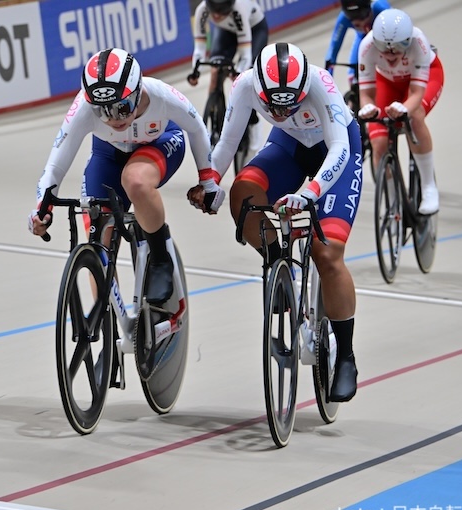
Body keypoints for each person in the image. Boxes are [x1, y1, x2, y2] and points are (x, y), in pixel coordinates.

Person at [188, 42, 361, 402]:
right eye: (273, 105)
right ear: (260, 88)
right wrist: (210, 181)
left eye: (290, 103)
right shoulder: (246, 84)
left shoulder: (321, 83)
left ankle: (345, 355)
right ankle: (278, 260)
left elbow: (340, 149)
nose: (281, 110)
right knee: (244, 192)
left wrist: (311, 192)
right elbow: (229, 141)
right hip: (291, 145)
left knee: (327, 254)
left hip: (337, 151)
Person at [29, 48, 221, 304]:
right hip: (108, 155)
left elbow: (197, 129)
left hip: (160, 143)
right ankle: (108, 323)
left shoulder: (161, 95)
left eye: (122, 107)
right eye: (103, 111)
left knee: (135, 180)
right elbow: (55, 164)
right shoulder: (84, 106)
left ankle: (160, 258)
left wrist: (207, 181)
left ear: (138, 90)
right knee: (98, 236)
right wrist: (42, 205)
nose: (113, 119)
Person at [357, 8, 443, 215]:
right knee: (378, 143)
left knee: (414, 116)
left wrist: (405, 108)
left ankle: (429, 186)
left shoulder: (419, 42)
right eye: (385, 50)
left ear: (407, 41)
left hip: (425, 78)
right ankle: (393, 200)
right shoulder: (367, 46)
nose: (390, 55)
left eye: (396, 49)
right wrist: (368, 107)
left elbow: (416, 92)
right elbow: (366, 93)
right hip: (388, 82)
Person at [189, 0, 268, 155]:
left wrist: (238, 72)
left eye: (222, 11)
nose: (217, 16)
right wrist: (194, 71)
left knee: (247, 80)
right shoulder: (202, 10)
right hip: (226, 31)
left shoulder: (239, 11)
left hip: (254, 29)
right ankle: (214, 118)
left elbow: (246, 55)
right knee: (215, 71)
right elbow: (199, 47)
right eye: (214, 11)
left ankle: (253, 124)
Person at [324, 0, 390, 84]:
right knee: (353, 79)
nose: (361, 24)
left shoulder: (381, 9)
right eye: (352, 18)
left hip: (384, 37)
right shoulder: (343, 18)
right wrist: (328, 78)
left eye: (362, 16)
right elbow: (333, 48)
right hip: (361, 38)